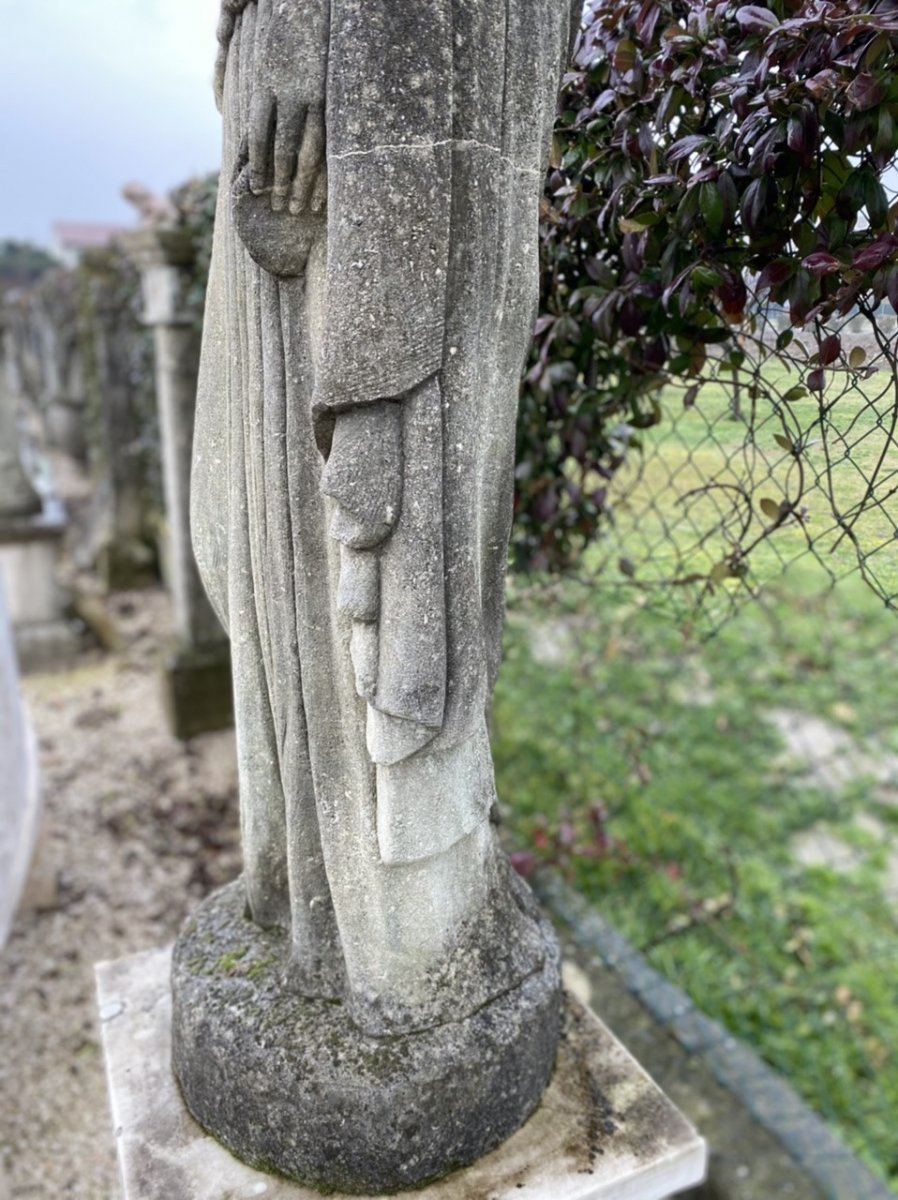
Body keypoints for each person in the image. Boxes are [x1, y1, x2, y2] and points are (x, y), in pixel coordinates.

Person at [192, 0, 578, 1036]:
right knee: (295, 500)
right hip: (325, 54)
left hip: (411, 43)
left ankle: (413, 932)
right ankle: (318, 898)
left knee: (423, 478)